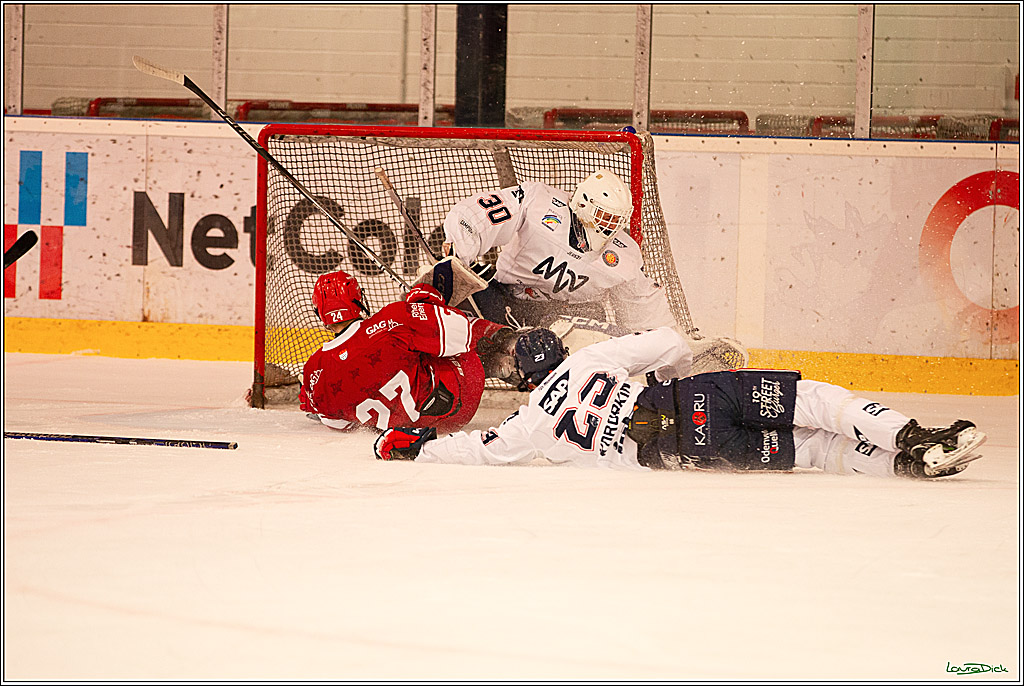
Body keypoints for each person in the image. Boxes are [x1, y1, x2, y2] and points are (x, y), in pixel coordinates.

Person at [373, 328, 986, 479]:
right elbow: (666, 341)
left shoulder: (529, 422)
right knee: (819, 403)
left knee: (815, 452)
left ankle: (906, 467)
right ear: (557, 347)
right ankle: (913, 436)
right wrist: (677, 367)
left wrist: (417, 446)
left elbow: (476, 451)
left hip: (681, 451)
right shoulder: (588, 359)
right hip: (693, 397)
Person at [441, 168, 676, 333]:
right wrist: (458, 255)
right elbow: (477, 216)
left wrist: (663, 343)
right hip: (504, 299)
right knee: (464, 300)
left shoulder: (625, 255)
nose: (611, 226)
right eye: (605, 217)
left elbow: (644, 307)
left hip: (566, 317)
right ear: (583, 204)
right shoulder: (538, 201)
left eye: (616, 220)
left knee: (595, 321)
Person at [299, 269, 525, 434]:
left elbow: (340, 424)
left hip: (412, 431)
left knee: (409, 346)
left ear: (321, 314)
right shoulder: (391, 319)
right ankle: (509, 342)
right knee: (433, 329)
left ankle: (496, 362)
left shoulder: (313, 373)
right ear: (358, 299)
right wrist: (426, 302)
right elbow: (460, 335)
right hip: (458, 403)